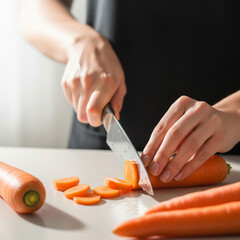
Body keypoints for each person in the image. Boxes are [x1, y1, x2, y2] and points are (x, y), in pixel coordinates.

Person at [20, 0, 240, 183]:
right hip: (96, 151)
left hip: (225, 161)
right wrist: (79, 42)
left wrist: (234, 113)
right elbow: (35, 9)